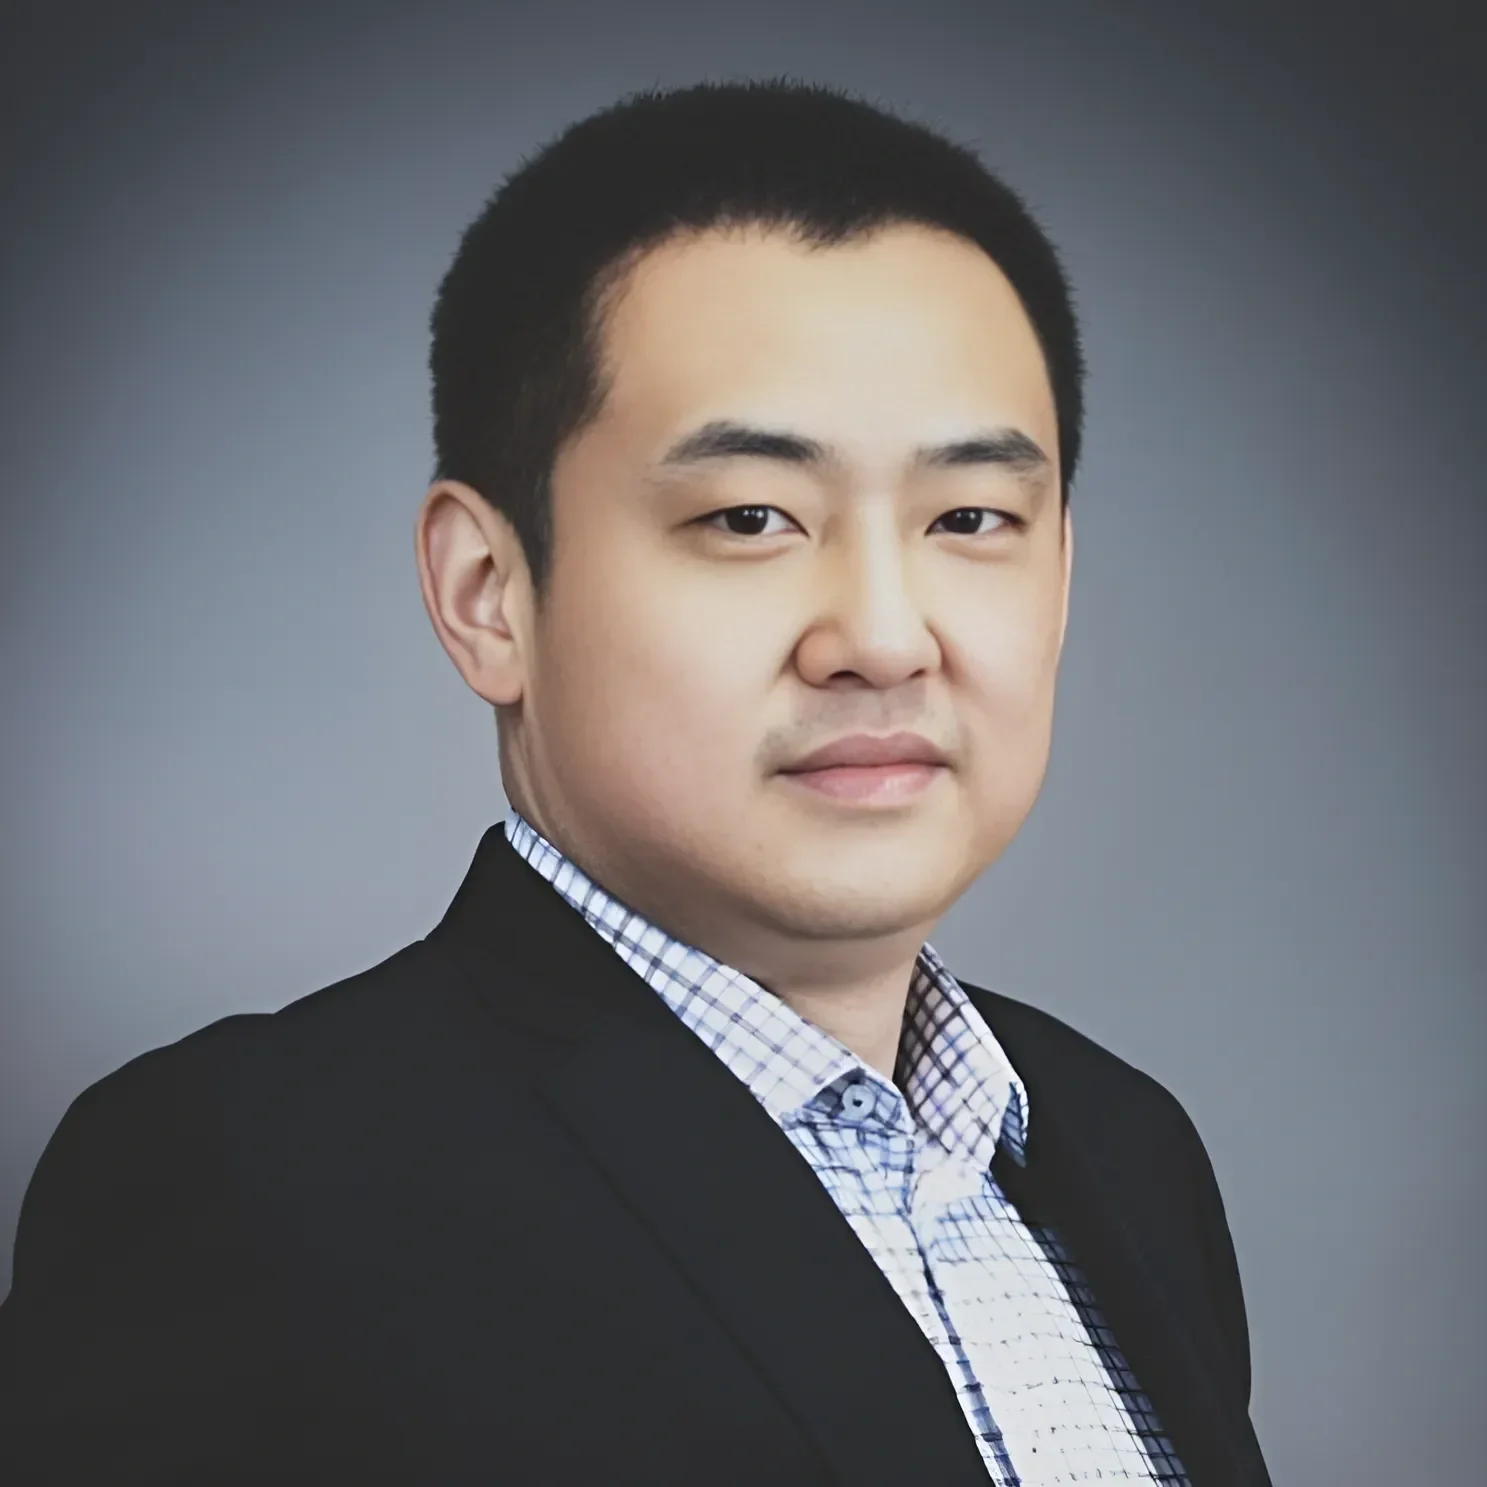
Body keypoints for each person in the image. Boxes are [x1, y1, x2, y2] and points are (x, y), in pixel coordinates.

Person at [0, 78, 1272, 1486]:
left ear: (1060, 574)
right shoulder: (251, 1182)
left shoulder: (1126, 1152)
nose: (881, 636)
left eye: (970, 518)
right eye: (748, 517)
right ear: (488, 591)